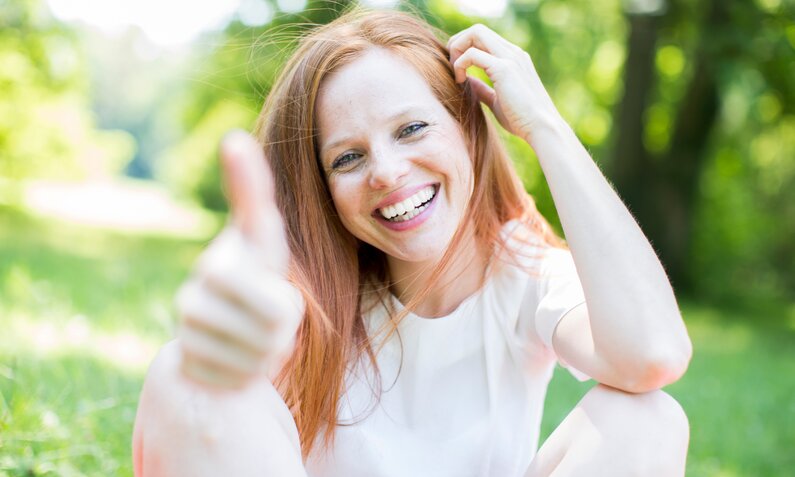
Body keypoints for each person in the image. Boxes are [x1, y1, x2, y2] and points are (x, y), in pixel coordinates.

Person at [132, 8, 692, 477]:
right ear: (322, 189)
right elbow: (247, 335)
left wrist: (546, 126)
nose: (386, 171)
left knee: (649, 419)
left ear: (468, 130)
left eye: (412, 129)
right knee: (186, 374)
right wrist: (228, 324)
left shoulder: (528, 274)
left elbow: (651, 356)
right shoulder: (310, 292)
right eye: (347, 158)